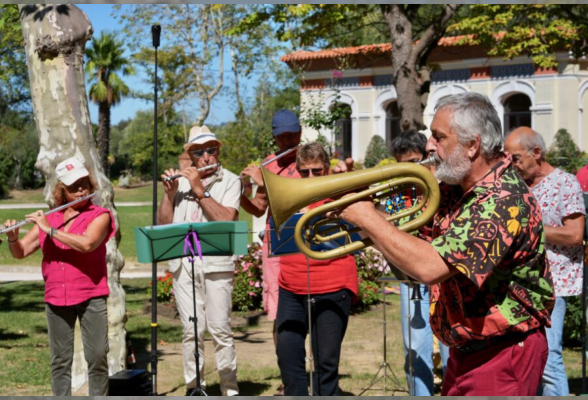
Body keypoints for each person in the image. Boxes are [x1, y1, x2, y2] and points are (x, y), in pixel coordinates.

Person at [337, 92, 554, 396]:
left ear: (472, 145)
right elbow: (414, 250)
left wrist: (370, 219)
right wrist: (368, 213)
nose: (429, 146)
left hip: (502, 353)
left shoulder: (504, 201)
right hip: (468, 349)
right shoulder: (456, 190)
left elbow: (429, 266)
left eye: (439, 137)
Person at [3, 157, 114, 396]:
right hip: (56, 298)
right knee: (59, 361)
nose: (81, 189)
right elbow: (20, 252)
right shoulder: (51, 217)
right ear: (61, 189)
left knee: (97, 357)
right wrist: (12, 237)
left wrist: (50, 231)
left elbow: (87, 244)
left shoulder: (100, 215)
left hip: (90, 295)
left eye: (84, 183)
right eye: (74, 185)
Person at [158, 125, 242, 396]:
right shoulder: (179, 183)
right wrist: (169, 195)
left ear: (218, 151)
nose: (206, 157)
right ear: (191, 157)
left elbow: (226, 220)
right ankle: (196, 388)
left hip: (216, 264)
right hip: (184, 265)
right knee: (191, 330)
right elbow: (163, 225)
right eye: (199, 152)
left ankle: (230, 389)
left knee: (220, 329)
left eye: (211, 150)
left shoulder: (231, 180)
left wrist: (199, 189)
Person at [505, 127, 585, 396]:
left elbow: (575, 235)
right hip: (516, 284)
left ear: (536, 153)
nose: (510, 164)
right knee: (525, 360)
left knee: (549, 361)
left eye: (515, 158)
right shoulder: (515, 185)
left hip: (551, 285)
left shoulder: (565, 183)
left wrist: (531, 229)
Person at [275, 142, 358, 396]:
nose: (310, 177)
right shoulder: (288, 194)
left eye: (317, 171)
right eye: (304, 171)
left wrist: (350, 183)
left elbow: (364, 218)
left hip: (333, 287)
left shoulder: (340, 191)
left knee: (325, 368)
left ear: (327, 169)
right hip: (290, 287)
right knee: (288, 361)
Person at [239, 109, 302, 395]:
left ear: (300, 132)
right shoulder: (269, 164)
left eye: (292, 135)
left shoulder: (310, 158)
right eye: (282, 137)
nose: (288, 141)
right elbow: (259, 207)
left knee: (309, 311)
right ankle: (288, 379)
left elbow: (299, 194)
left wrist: (264, 181)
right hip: (276, 244)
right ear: (275, 137)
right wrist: (244, 191)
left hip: (306, 241)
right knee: (280, 314)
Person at [388, 130, 448, 396]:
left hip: (445, 272)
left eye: (415, 161)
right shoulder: (394, 190)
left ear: (427, 156)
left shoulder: (446, 184)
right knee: (415, 348)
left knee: (452, 345)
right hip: (411, 274)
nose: (410, 170)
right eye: (403, 164)